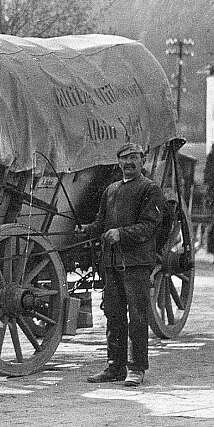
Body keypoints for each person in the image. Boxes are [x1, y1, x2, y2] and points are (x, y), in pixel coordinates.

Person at [77, 142, 165, 387]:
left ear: (142, 162)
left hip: (136, 263)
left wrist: (122, 234)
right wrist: (86, 230)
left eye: (134, 159)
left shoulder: (150, 189)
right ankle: (114, 367)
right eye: (125, 159)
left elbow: (151, 225)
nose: (129, 163)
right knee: (114, 315)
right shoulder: (112, 190)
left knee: (137, 317)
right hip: (113, 263)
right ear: (119, 163)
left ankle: (137, 369)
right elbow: (101, 223)